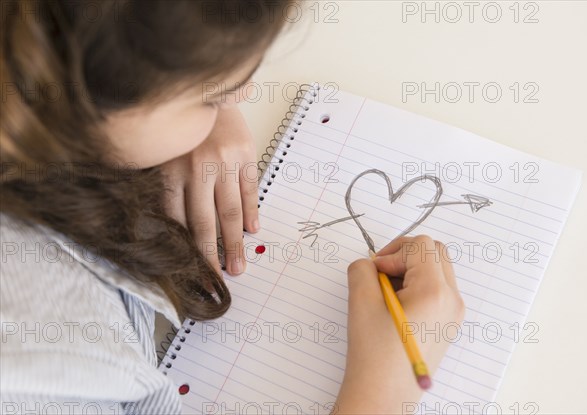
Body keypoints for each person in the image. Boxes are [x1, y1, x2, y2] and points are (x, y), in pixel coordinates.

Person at [0, 1, 464, 413]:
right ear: (82, 99)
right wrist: (381, 393)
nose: (242, 97)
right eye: (214, 95)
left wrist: (172, 114)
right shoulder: (42, 368)